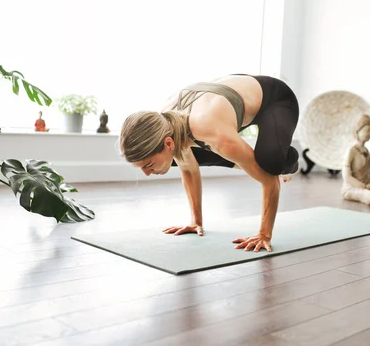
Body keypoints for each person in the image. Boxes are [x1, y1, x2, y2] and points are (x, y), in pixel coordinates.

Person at [119, 74, 300, 252]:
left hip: (274, 98)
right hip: (228, 103)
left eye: (148, 165)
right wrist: (196, 222)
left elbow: (269, 182)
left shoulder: (213, 133)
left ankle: (288, 159)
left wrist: (264, 235)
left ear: (168, 143)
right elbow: (189, 171)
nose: (147, 173)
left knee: (269, 164)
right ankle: (247, 158)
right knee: (174, 160)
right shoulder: (163, 126)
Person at [341, 114, 370, 205]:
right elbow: (347, 177)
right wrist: (365, 186)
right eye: (367, 131)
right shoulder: (351, 151)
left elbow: (368, 174)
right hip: (351, 187)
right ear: (357, 131)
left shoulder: (367, 151)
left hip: (366, 186)